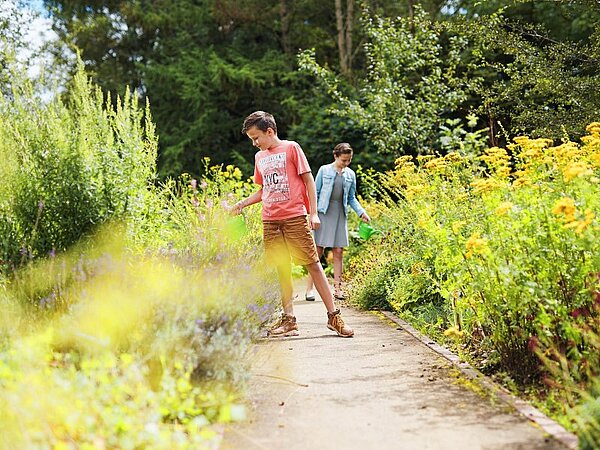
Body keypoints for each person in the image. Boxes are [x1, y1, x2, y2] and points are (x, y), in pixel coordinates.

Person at [230, 111, 354, 338]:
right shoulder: (260, 158)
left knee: (313, 264)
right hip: (270, 220)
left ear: (270, 131)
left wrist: (313, 214)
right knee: (282, 268)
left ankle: (334, 317)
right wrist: (242, 204)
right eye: (251, 139)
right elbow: (263, 190)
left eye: (256, 138)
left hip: (295, 217)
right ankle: (289, 321)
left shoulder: (291, 148)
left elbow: (308, 180)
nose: (254, 143)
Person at [305, 143, 370, 302]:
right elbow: (315, 193)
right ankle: (309, 289)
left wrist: (361, 212)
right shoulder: (324, 170)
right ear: (335, 156)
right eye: (343, 160)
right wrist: (312, 214)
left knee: (339, 251)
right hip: (323, 213)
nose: (346, 163)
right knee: (318, 251)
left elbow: (351, 198)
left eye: (349, 160)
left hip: (340, 214)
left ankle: (338, 289)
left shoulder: (350, 174)